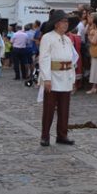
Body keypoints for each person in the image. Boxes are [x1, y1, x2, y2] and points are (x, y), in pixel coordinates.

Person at [38, 10, 76, 147]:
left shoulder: (67, 39)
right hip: (53, 76)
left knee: (64, 108)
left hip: (65, 76)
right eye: (63, 21)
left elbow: (72, 60)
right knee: (49, 108)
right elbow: (44, 58)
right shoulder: (47, 38)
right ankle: (45, 136)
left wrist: (72, 78)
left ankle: (62, 134)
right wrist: (46, 78)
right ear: (56, 23)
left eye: (67, 22)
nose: (65, 24)